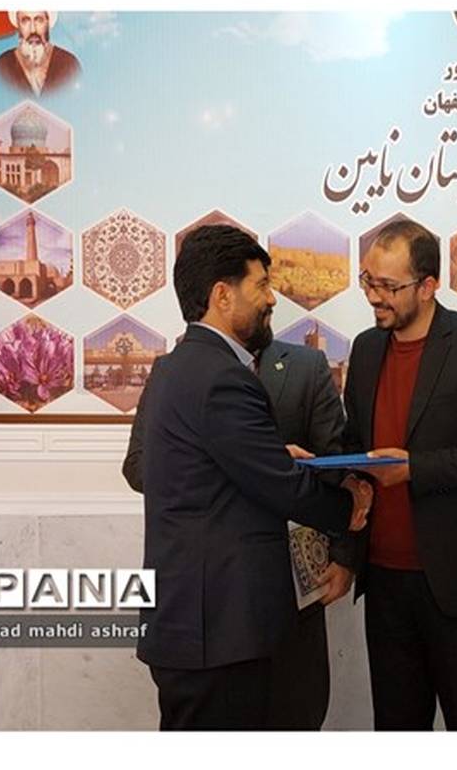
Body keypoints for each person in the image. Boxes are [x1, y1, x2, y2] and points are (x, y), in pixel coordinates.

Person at [135, 224, 371, 730]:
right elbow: (278, 484)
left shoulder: (178, 368)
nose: (271, 299)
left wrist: (269, 455)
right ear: (223, 295)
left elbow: (211, 466)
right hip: (216, 629)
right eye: (261, 285)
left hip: (196, 624)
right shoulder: (222, 376)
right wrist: (349, 505)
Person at [342, 218, 457, 730]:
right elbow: (355, 443)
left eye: (388, 286)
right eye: (368, 281)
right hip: (384, 580)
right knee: (396, 725)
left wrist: (414, 469)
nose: (374, 296)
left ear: (428, 286)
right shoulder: (366, 348)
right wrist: (336, 471)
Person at [0, 11, 81, 96]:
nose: (33, 30)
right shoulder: (2, 66)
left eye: (39, 20)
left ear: (48, 23)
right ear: (18, 24)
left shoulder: (69, 64)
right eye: (25, 21)